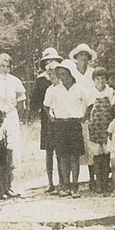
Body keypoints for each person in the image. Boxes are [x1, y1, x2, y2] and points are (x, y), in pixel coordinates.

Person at [44, 59, 92, 197]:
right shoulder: (55, 90)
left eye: (65, 74)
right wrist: (51, 117)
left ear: (71, 74)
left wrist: (85, 117)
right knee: (63, 156)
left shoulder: (79, 88)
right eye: (60, 74)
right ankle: (65, 184)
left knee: (74, 157)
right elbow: (46, 106)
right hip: (60, 124)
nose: (62, 77)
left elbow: (90, 103)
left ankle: (75, 186)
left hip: (74, 124)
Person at [0, 53, 27, 197]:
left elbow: (21, 104)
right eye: (2, 66)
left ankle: (9, 186)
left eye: (7, 66)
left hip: (10, 117)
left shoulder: (15, 81)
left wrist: (15, 117)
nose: (4, 69)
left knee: (11, 151)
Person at [31, 47, 63, 193]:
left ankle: (63, 181)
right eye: (48, 61)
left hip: (61, 117)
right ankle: (51, 182)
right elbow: (34, 102)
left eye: (54, 60)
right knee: (49, 151)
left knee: (61, 150)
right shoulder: (41, 80)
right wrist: (43, 110)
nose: (51, 63)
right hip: (47, 118)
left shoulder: (62, 79)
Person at [69, 43, 97, 189]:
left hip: (91, 108)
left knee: (91, 145)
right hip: (76, 110)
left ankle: (93, 178)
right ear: (76, 57)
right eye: (81, 56)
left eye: (86, 56)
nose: (83, 59)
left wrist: (89, 111)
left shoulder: (92, 72)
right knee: (78, 147)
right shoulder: (72, 72)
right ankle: (75, 181)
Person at [86, 67, 115, 194]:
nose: (101, 81)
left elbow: (113, 109)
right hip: (96, 127)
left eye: (103, 78)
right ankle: (98, 183)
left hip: (108, 126)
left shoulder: (111, 92)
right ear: (94, 80)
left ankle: (106, 182)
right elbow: (87, 111)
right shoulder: (91, 93)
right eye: (98, 79)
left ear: (107, 80)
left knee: (107, 154)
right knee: (97, 156)